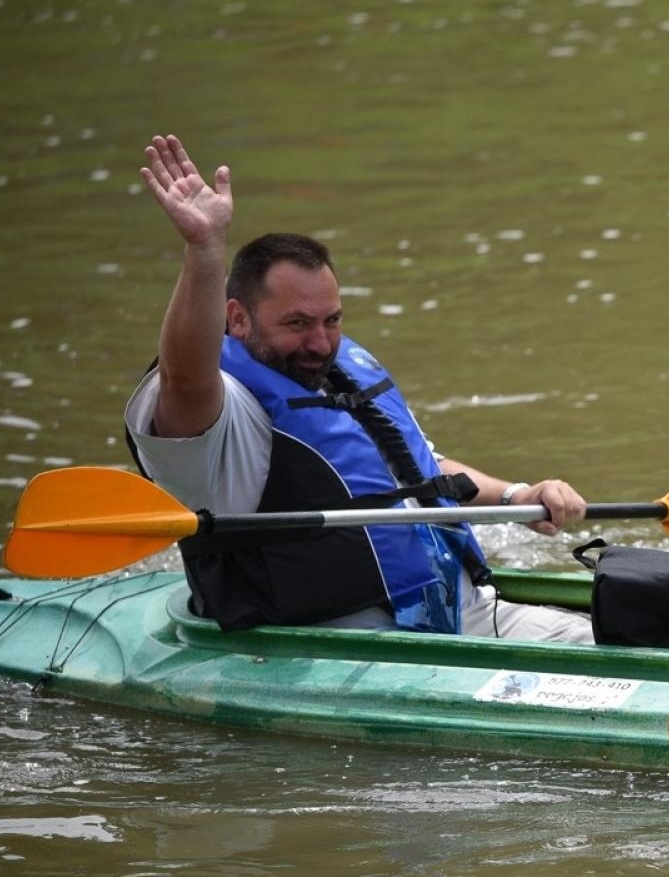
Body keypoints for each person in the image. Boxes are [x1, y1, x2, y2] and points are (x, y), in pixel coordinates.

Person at [123, 134, 593, 641]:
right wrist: (204, 251)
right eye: (297, 323)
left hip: (463, 611)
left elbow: (421, 471)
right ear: (236, 319)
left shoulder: (340, 374)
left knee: (626, 634)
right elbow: (185, 377)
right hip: (344, 643)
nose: (319, 342)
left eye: (331, 320)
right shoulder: (223, 418)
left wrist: (518, 495)